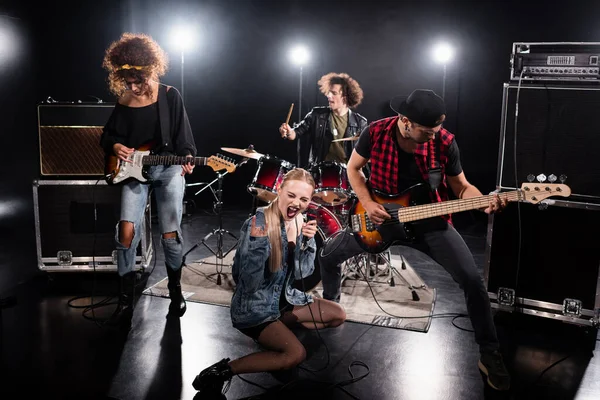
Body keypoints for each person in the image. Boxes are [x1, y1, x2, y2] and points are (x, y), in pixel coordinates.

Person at [318, 89, 511, 391]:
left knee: (473, 281)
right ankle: (330, 303)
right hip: (379, 219)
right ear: (405, 122)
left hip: (429, 223)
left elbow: (461, 187)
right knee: (328, 256)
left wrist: (483, 201)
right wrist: (367, 203)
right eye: (427, 131)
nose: (433, 137)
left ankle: (489, 352)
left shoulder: (445, 142)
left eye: (436, 131)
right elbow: (353, 169)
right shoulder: (376, 132)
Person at [192, 168, 346, 396]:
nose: (297, 203)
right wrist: (257, 245)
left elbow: (303, 273)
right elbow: (247, 283)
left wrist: (307, 243)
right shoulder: (258, 222)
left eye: (304, 199)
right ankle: (222, 370)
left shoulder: (300, 220)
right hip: (255, 308)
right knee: (295, 355)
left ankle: (280, 329)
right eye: (291, 195)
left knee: (338, 314)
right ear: (279, 190)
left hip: (284, 301)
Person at [99, 33, 197, 327]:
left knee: (170, 233)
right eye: (127, 82)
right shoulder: (124, 99)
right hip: (132, 171)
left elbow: (185, 140)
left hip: (167, 169)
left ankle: (175, 292)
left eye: (137, 81)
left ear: (149, 71)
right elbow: (107, 136)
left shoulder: (169, 95)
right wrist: (116, 147)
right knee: (126, 232)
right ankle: (125, 302)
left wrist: (188, 159)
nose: (133, 87)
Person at [278, 72, 368, 167]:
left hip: (347, 174)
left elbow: (364, 154)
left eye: (334, 93)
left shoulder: (360, 122)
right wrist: (288, 131)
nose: (328, 96)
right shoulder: (317, 114)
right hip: (320, 170)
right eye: (329, 92)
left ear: (345, 98)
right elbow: (296, 133)